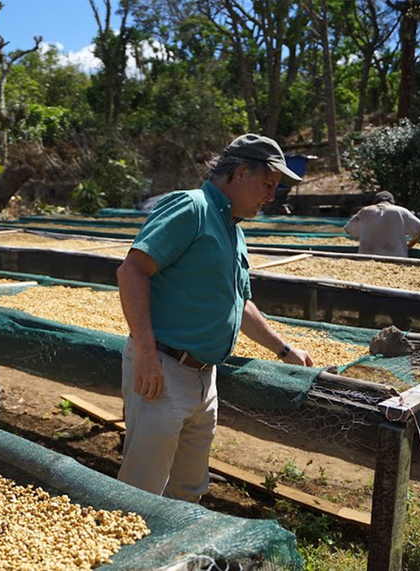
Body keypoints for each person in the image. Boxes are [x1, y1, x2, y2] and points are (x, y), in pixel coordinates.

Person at [116, 133, 315, 503]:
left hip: (205, 378)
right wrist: (144, 352)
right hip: (162, 371)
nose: (271, 196)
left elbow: (239, 304)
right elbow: (132, 271)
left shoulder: (232, 229)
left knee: (189, 490)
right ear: (240, 173)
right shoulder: (191, 209)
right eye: (268, 185)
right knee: (141, 491)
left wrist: (284, 349)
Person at [343, 191, 420, 257]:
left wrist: (364, 237)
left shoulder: (365, 211)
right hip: (397, 258)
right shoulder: (400, 211)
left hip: (366, 258)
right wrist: (409, 245)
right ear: (392, 202)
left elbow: (349, 229)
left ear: (375, 202)